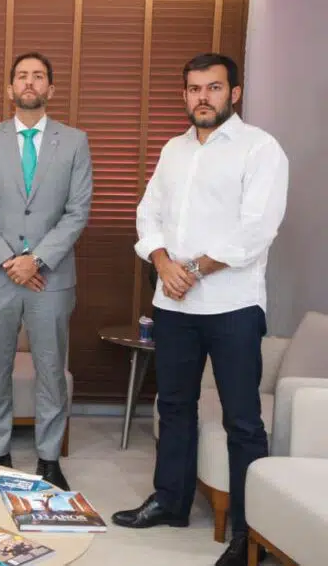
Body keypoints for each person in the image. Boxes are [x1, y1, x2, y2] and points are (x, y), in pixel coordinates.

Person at [112, 53, 288, 566]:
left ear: (234, 93)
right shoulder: (174, 149)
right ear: (185, 95)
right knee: (173, 406)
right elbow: (148, 213)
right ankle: (170, 502)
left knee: (242, 420)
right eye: (194, 89)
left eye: (213, 87)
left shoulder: (261, 148)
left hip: (233, 306)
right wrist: (162, 262)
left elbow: (257, 229)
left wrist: (193, 268)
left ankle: (250, 534)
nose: (202, 97)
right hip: (174, 304)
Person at [0, 51, 92, 491]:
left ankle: (48, 458)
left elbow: (77, 211)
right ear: (10, 88)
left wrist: (35, 260)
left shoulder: (74, 142)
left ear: (51, 88)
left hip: (50, 278)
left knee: (51, 371)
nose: (30, 82)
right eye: (22, 76)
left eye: (38, 76)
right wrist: (9, 261)